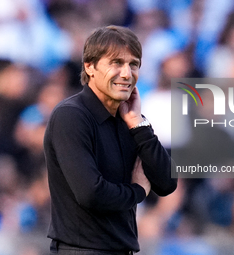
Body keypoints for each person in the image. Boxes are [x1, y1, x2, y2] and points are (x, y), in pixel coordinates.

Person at [43, 25, 177, 255]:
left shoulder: (132, 120)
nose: (127, 73)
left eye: (133, 64)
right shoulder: (71, 116)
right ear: (89, 66)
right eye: (116, 62)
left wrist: (138, 124)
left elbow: (166, 183)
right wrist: (137, 192)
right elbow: (91, 193)